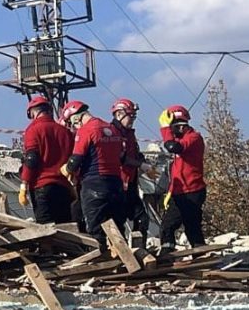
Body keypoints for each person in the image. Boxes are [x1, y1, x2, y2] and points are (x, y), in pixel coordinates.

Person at [60, 100, 128, 250]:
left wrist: (67, 169)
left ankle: (100, 262)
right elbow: (121, 156)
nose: (74, 127)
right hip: (116, 183)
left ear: (76, 117)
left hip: (94, 184)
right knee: (117, 229)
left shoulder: (86, 130)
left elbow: (76, 159)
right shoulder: (112, 128)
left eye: (72, 123)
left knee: (96, 231)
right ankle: (124, 260)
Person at [157, 104, 207, 255]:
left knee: (192, 227)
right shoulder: (183, 139)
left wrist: (165, 128)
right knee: (167, 226)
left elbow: (172, 147)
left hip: (192, 191)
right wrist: (170, 192)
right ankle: (168, 256)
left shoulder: (193, 138)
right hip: (179, 192)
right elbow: (178, 171)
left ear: (179, 126)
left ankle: (200, 257)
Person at [19, 96, 74, 224]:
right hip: (64, 188)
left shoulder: (33, 130)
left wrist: (24, 184)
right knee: (67, 232)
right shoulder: (65, 132)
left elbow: (32, 159)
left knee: (47, 234)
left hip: (42, 187)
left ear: (32, 112)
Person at [110, 98, 149, 241]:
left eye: (134, 116)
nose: (132, 119)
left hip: (130, 184)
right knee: (117, 223)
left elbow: (135, 153)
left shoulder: (129, 134)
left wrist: (143, 162)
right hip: (117, 185)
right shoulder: (112, 133)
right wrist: (140, 165)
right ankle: (120, 253)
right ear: (119, 114)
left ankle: (139, 249)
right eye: (130, 116)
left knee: (142, 219)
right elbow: (119, 157)